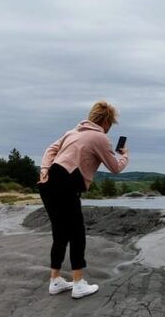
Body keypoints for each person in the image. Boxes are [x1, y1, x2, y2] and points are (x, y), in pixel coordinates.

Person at [38, 101, 129, 299]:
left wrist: (44, 169)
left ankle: (55, 280)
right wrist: (125, 156)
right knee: (77, 233)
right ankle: (78, 283)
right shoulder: (100, 138)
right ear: (106, 121)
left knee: (60, 233)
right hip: (66, 184)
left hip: (48, 183)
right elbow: (115, 168)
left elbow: (49, 150)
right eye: (111, 123)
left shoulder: (72, 132)